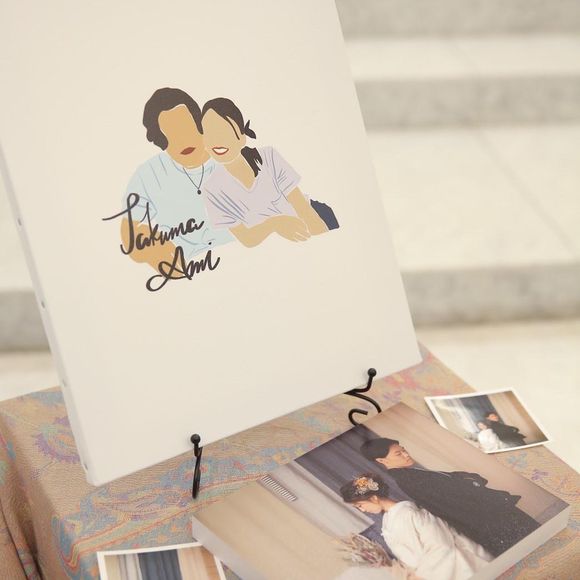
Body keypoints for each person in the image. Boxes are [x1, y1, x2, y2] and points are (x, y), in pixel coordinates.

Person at [360, 438, 540, 557]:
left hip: (489, 516)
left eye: (404, 450)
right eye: (398, 454)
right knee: (532, 548)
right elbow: (454, 502)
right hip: (489, 520)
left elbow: (451, 483)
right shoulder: (408, 479)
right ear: (382, 461)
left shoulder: (410, 474)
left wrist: (465, 480)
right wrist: (473, 486)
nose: (406, 455)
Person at [200, 97, 339, 248]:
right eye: (210, 133)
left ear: (242, 137)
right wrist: (275, 224)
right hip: (274, 243)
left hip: (313, 217)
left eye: (224, 131)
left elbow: (304, 209)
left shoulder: (268, 157)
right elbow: (247, 239)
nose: (217, 140)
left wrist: (321, 240)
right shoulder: (212, 189)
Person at [119, 88, 233, 270]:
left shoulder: (230, 155)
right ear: (160, 140)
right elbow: (129, 235)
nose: (182, 140)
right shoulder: (148, 174)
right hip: (187, 272)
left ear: (199, 124)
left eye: (186, 128)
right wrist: (155, 256)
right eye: (170, 134)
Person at [341, 474, 492, 579]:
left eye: (360, 505)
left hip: (459, 568)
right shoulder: (389, 519)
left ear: (374, 498)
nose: (362, 510)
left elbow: (442, 546)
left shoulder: (408, 513)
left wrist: (421, 576)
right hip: (432, 571)